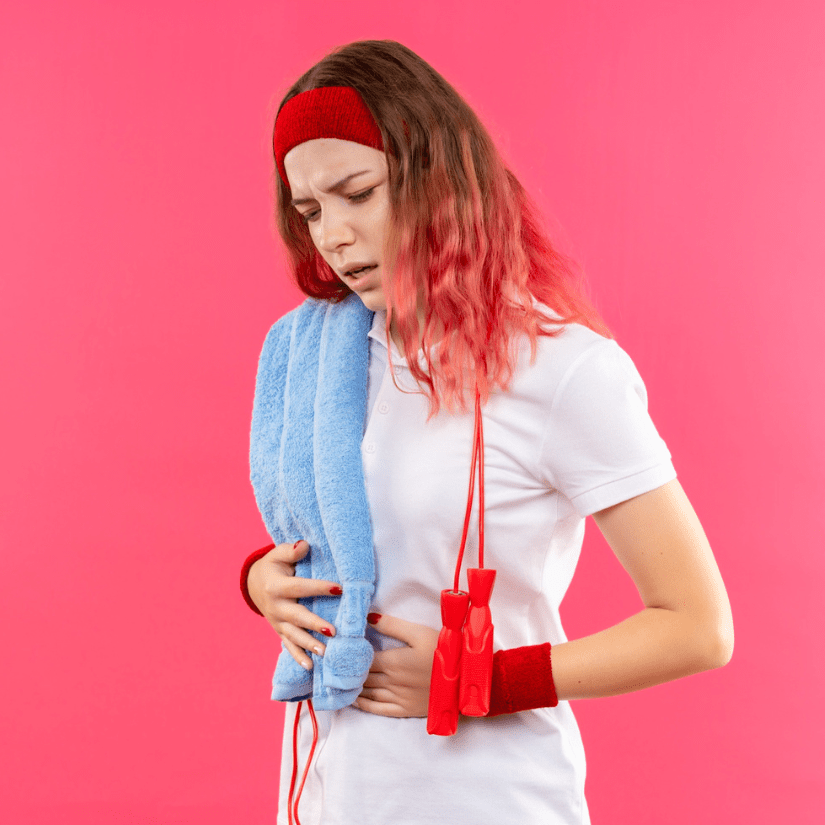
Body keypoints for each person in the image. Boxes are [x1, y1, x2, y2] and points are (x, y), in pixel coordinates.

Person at [241, 40, 733, 825]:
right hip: (331, 790)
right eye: (309, 209)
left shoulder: (562, 368)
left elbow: (697, 625)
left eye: (356, 193)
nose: (330, 234)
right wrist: (265, 582)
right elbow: (345, 538)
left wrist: (487, 678)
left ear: (434, 175)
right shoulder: (324, 357)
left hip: (490, 797)